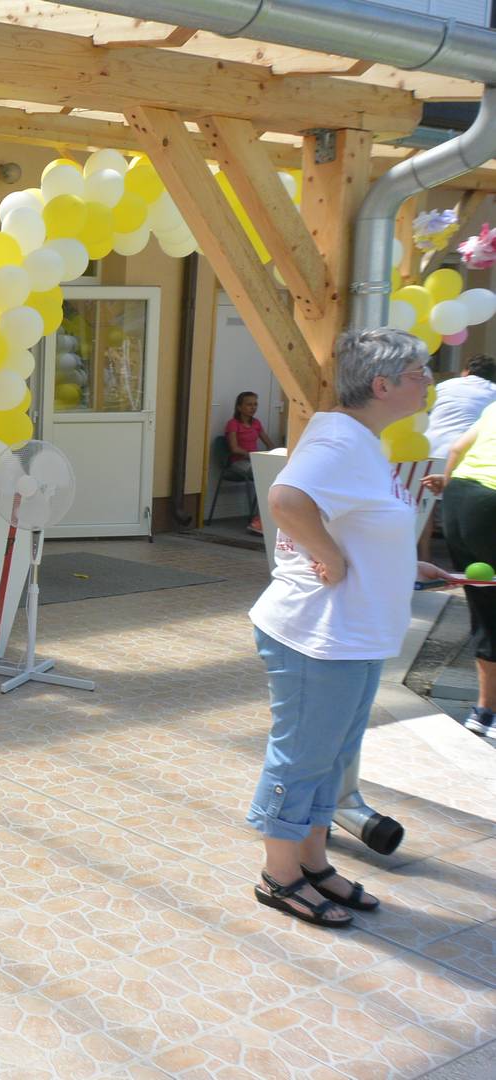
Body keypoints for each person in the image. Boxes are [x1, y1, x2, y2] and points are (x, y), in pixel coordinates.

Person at [247, 328, 450, 928]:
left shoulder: (361, 441)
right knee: (302, 757)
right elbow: (286, 500)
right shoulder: (338, 438)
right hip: (318, 635)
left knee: (332, 757)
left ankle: (312, 863)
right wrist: (329, 557)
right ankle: (279, 875)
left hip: (352, 635)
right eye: (418, 373)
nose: (429, 382)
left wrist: (404, 564)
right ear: (382, 385)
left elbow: (358, 521)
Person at [424, 394, 496, 738]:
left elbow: (456, 448)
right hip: (491, 501)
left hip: (462, 500)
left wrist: (448, 483)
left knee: (486, 607)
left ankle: (484, 712)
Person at [418, 356, 496, 559]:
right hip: (468, 456)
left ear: (466, 371)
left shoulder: (446, 385)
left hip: (430, 446)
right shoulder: (493, 392)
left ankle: (425, 555)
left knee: (424, 503)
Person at [226, 391, 273, 534]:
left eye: (255, 404)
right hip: (238, 463)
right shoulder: (233, 424)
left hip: (255, 462)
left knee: (274, 477)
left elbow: (269, 444)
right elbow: (234, 448)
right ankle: (258, 521)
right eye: (249, 404)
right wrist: (252, 456)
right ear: (239, 407)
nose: (253, 408)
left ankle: (268, 518)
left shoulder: (256, 423)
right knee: (264, 478)